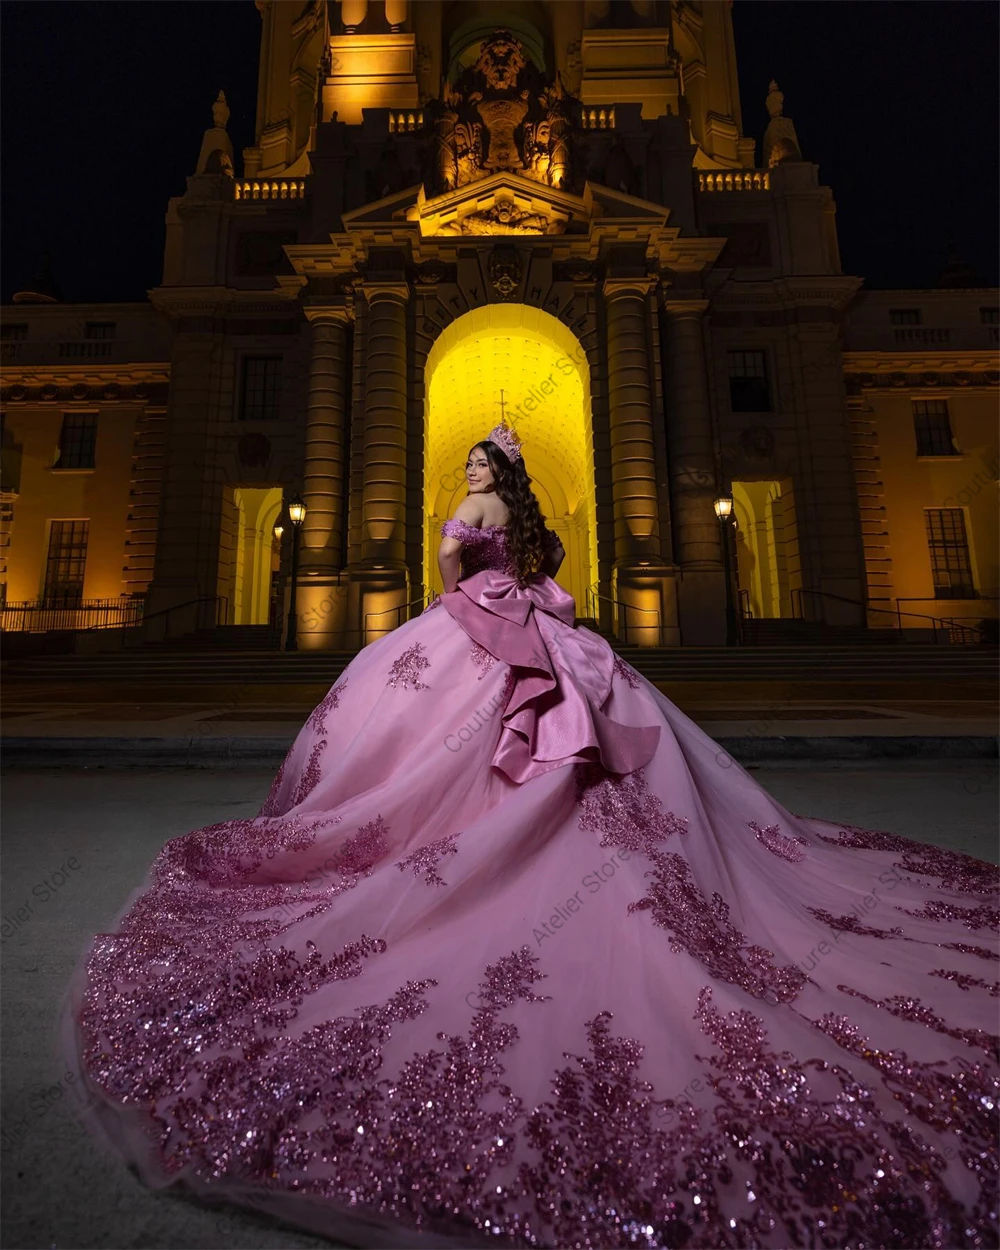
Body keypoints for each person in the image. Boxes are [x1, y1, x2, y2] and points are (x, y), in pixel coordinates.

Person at [60, 421, 999, 1249]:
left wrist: (455, 561)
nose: (469, 469)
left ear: (490, 477)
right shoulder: (524, 525)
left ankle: (447, 838)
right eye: (471, 460)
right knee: (577, 744)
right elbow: (542, 577)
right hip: (536, 630)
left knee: (412, 745)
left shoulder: (469, 510)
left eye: (477, 462)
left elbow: (443, 571)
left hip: (474, 630)